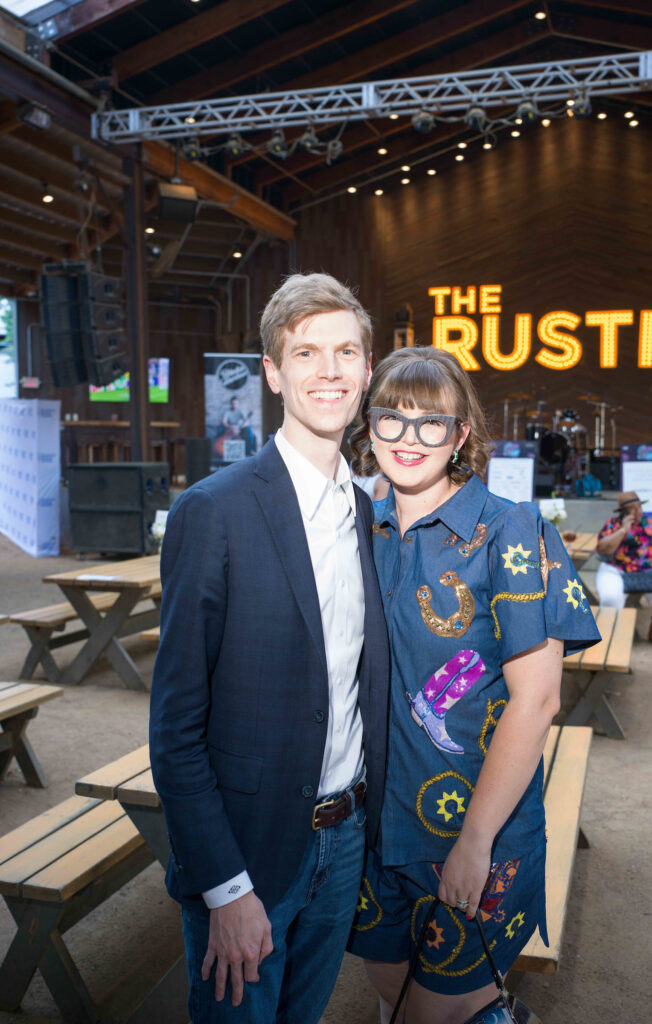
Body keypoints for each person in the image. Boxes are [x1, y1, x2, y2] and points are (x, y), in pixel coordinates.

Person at [149, 272, 390, 1023]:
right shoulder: (212, 511)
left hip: (344, 840)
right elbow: (175, 730)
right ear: (274, 373)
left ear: (367, 370)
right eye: (307, 352)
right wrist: (225, 886)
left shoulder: (366, 510)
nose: (329, 371)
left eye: (346, 352)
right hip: (249, 853)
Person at [346, 347, 600, 1024]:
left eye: (431, 423)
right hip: (373, 821)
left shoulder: (510, 531)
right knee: (387, 989)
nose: (408, 439)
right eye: (391, 420)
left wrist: (475, 841)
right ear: (368, 429)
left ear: (461, 435)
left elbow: (539, 699)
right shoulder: (357, 526)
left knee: (435, 1014)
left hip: (473, 825)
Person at [595, 490, 652, 646]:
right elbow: (603, 549)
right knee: (611, 598)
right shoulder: (613, 524)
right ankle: (609, 637)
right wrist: (623, 530)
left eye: (639, 507)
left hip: (646, 571)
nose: (638, 511)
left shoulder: (649, 524)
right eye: (633, 508)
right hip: (615, 570)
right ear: (624, 511)